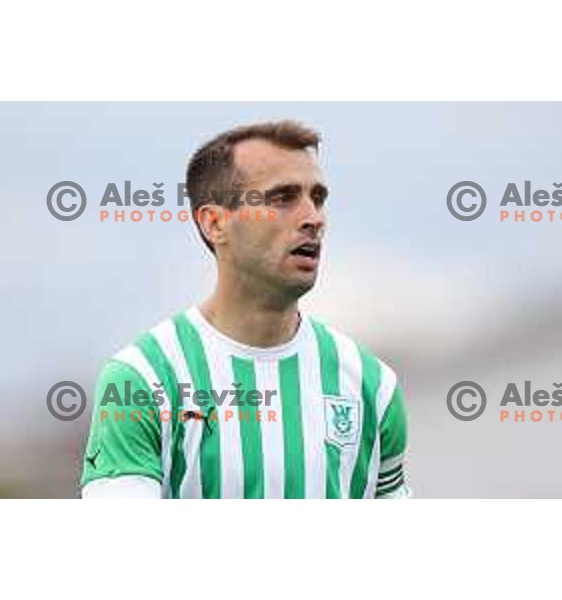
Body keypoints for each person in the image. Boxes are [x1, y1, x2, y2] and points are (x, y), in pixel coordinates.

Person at [81, 121, 410, 499]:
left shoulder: (373, 386)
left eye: (317, 198)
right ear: (215, 223)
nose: (313, 218)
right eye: (283, 198)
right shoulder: (141, 380)